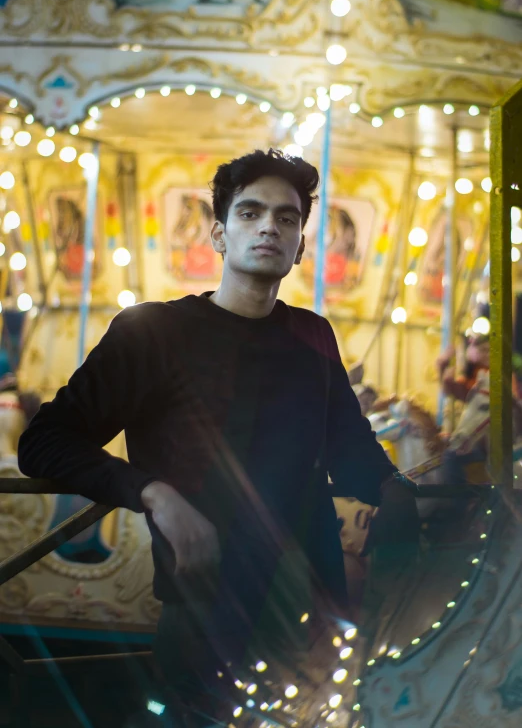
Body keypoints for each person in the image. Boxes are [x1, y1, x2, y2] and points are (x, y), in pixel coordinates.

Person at [18, 149, 418, 725]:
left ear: (300, 246)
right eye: (250, 213)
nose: (268, 228)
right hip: (208, 605)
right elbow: (46, 441)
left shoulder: (312, 336)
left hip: (309, 601)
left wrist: (394, 485)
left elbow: (348, 446)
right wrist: (154, 492)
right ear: (219, 234)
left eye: (286, 218)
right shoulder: (153, 332)